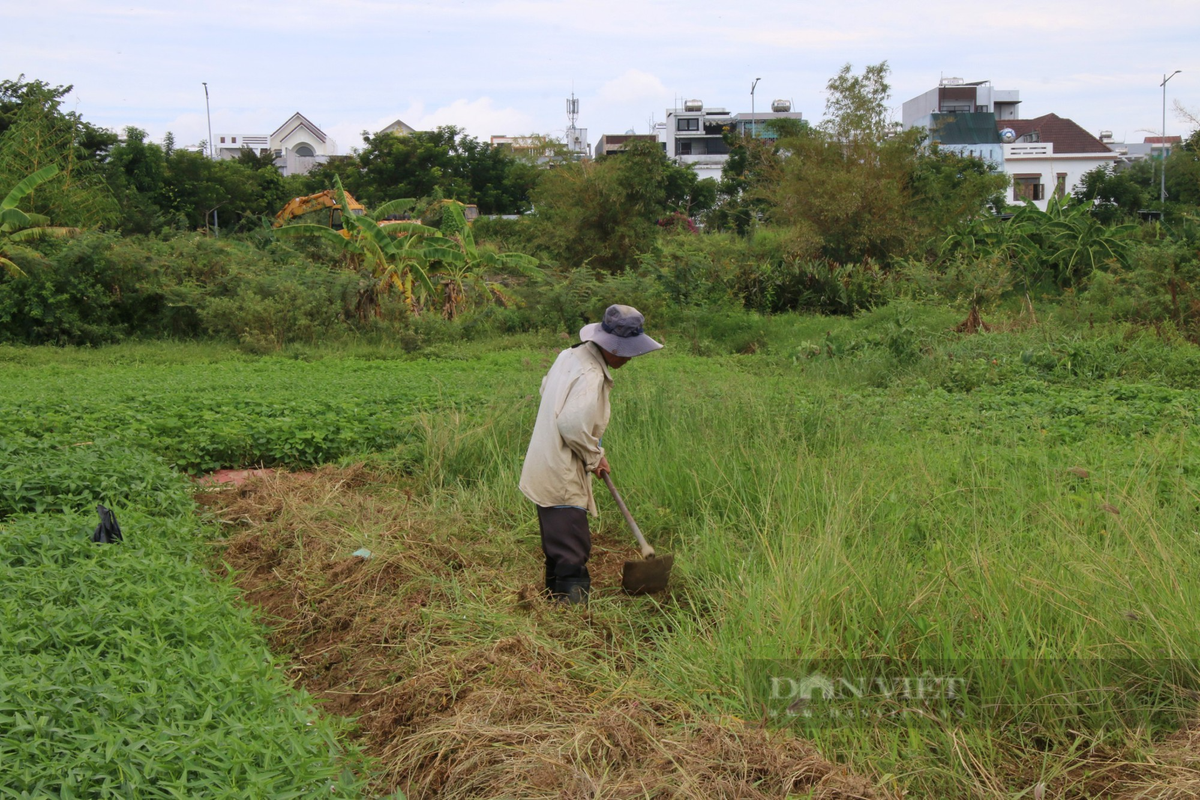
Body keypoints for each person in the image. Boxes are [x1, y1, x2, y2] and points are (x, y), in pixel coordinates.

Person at [518, 304, 663, 605]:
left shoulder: (569, 355)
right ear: (611, 346)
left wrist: (593, 452)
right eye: (625, 352)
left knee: (558, 540)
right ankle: (570, 612)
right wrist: (593, 455)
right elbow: (571, 423)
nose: (629, 358)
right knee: (572, 544)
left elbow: (548, 389)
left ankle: (552, 600)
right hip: (559, 467)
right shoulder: (591, 374)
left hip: (545, 460)